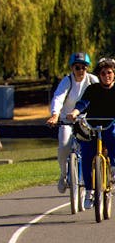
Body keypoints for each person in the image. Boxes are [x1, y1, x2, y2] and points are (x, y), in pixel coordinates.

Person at [46, 52, 98, 194]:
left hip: (87, 121)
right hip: (66, 121)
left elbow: (102, 97)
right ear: (72, 68)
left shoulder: (93, 80)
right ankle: (63, 175)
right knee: (64, 146)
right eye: (77, 67)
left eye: (84, 67)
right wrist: (55, 115)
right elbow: (58, 97)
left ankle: (96, 176)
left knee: (94, 149)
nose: (81, 71)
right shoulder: (67, 81)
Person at [68, 56, 115, 209]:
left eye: (109, 73)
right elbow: (83, 103)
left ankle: (113, 168)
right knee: (87, 154)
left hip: (111, 124)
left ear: (114, 73)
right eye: (103, 73)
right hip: (93, 126)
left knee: (113, 136)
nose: (106, 76)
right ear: (99, 75)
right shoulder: (92, 89)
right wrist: (75, 112)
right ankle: (89, 191)